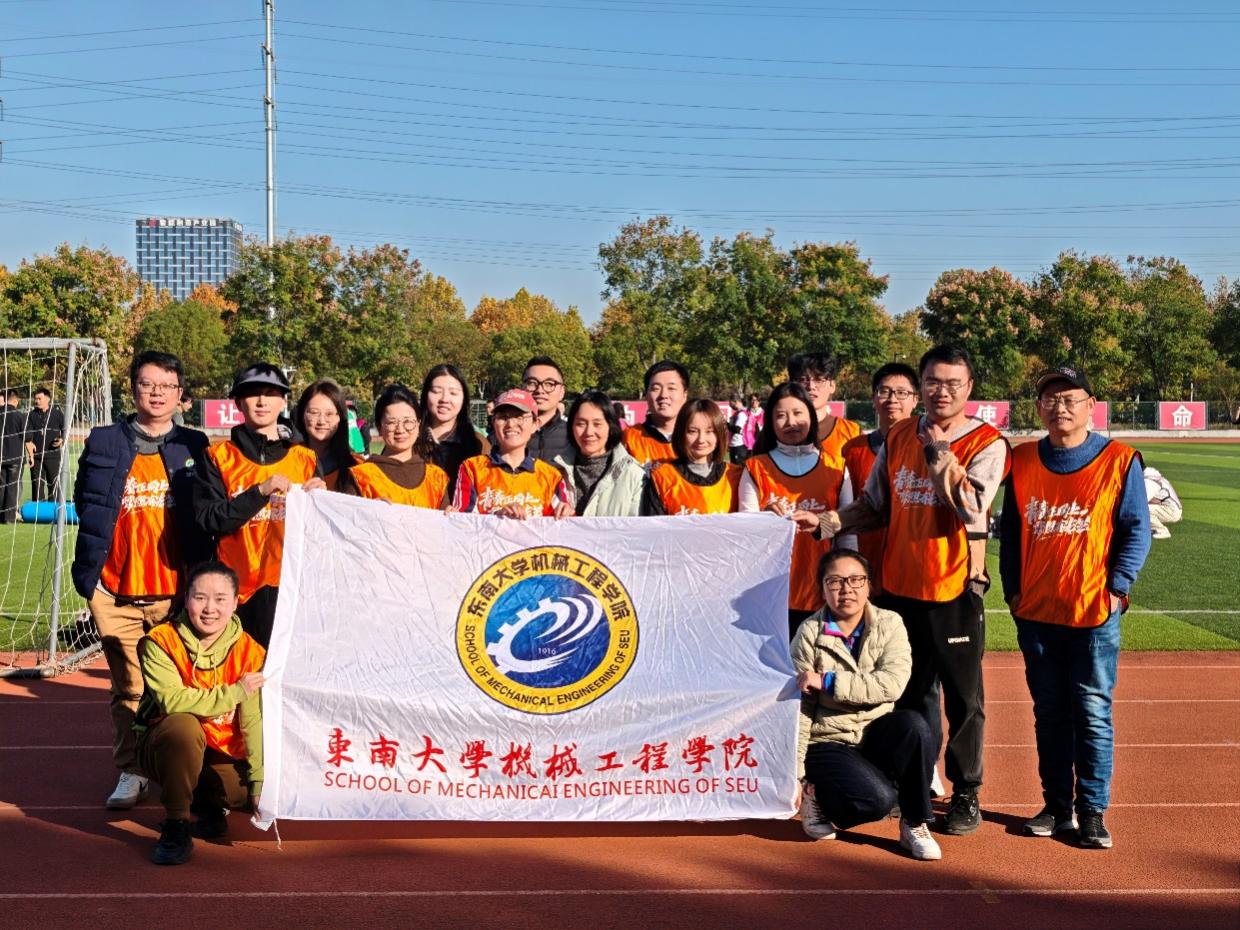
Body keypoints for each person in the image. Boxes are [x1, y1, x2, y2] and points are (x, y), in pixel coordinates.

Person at [819, 345, 1010, 836]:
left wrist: (939, 452)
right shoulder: (899, 435)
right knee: (905, 694)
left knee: (963, 699)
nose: (941, 391)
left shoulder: (987, 443)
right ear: (922, 385)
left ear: (969, 388)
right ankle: (913, 783)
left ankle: (966, 791)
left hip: (952, 589)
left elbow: (970, 506)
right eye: (933, 381)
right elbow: (874, 506)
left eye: (952, 383)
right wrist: (828, 522)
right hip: (899, 590)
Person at [1000, 366, 1150, 850]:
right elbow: (1011, 533)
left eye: (1070, 398)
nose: (1059, 407)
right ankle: (1056, 806)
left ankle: (1092, 811)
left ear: (1091, 405)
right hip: (1036, 613)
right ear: (1038, 407)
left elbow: (1136, 529)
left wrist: (1117, 589)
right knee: (1049, 714)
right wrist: (1013, 592)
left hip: (1093, 613)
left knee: (1092, 712)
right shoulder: (1022, 460)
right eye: (1050, 398)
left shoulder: (1119, 460)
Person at [71, 351, 211, 811]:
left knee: (182, 685)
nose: (156, 393)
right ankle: (131, 770)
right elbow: (85, 499)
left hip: (176, 593)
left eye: (166, 386)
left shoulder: (194, 444)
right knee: (129, 688)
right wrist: (93, 578)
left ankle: (182, 769)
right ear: (132, 388)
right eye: (148, 384)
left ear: (180, 394)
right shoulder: (104, 440)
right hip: (115, 591)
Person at [793, 549, 941, 861]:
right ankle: (816, 794)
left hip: (874, 730)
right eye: (835, 581)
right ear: (822, 588)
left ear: (869, 585)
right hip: (828, 738)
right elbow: (801, 707)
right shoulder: (809, 632)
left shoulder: (890, 623)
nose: (846, 589)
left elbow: (892, 684)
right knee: (877, 802)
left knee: (913, 726)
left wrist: (828, 681)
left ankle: (915, 823)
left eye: (855, 580)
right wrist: (798, 773)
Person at [133, 561, 266, 866]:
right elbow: (173, 701)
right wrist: (235, 692)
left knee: (243, 792)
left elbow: (252, 720)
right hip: (165, 743)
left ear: (235, 603)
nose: (209, 609)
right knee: (183, 726)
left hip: (221, 749)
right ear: (186, 598)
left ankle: (210, 809)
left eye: (220, 599)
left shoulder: (250, 652)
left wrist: (259, 783)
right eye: (200, 597)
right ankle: (177, 823)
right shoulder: (161, 641)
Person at [194, 363, 323, 649]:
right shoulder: (218, 456)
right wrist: (260, 492)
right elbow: (210, 519)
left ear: (283, 401)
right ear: (238, 403)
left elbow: (321, 534)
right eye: (253, 394)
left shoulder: (305, 458)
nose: (262, 401)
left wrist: (323, 501)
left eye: (271, 393)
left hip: (291, 589)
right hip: (235, 591)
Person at [739, 383, 854, 638]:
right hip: (772, 594)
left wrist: (848, 584)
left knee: (822, 658)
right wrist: (764, 518)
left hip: (824, 592)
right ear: (770, 422)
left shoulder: (837, 468)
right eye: (781, 415)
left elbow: (847, 533)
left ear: (811, 417)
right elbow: (746, 532)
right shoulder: (755, 468)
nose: (791, 422)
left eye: (798, 413)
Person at [841, 363, 920, 599]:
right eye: (884, 391)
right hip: (866, 563)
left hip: (915, 564)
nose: (892, 399)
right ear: (873, 398)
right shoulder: (852, 450)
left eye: (901, 392)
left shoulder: (927, 448)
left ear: (915, 399)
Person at [453, 388, 571, 518]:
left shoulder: (551, 477)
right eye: (503, 417)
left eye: (520, 417)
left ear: (535, 424)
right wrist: (498, 516)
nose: (510, 424)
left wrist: (567, 513)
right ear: (493, 423)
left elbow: (562, 524)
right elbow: (463, 521)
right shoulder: (472, 468)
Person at [349, 383, 450, 509]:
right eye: (391, 422)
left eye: (408, 421)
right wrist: (367, 511)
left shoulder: (436, 478)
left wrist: (451, 515)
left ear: (418, 425)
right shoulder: (360, 477)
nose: (400, 430)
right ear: (379, 427)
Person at [642, 399, 741, 516]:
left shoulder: (736, 476)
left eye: (709, 431)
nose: (701, 439)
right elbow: (653, 525)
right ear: (680, 433)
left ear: (719, 434)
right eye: (692, 431)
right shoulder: (662, 477)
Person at [554, 389, 645, 516]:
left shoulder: (634, 475)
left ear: (610, 426)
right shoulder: (555, 473)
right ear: (571, 427)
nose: (589, 432)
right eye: (581, 424)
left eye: (597, 424)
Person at [420, 363, 488, 499]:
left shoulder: (478, 443)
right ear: (426, 395)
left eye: (453, 393)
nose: (444, 399)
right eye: (436, 391)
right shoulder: (407, 439)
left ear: (463, 399)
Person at [787, 352, 860, 468]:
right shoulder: (777, 431)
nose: (811, 386)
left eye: (819, 380)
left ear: (832, 386)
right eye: (803, 380)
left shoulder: (852, 433)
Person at [623, 360, 690, 466]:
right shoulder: (629, 439)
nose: (663, 395)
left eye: (671, 388)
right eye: (656, 389)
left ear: (684, 395)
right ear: (646, 395)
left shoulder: (698, 439)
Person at [294, 380, 356, 491]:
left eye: (329, 414)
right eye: (314, 412)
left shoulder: (356, 467)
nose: (321, 421)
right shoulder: (286, 459)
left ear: (340, 418)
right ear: (302, 415)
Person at [521, 356, 571, 463]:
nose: (540, 390)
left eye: (549, 384)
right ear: (522, 388)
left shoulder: (575, 434)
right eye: (532, 383)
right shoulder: (505, 434)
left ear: (562, 392)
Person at [24, 386, 65, 502]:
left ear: (47, 399)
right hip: (36, 457)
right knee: (37, 486)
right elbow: (28, 434)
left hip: (53, 456)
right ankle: (38, 510)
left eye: (39, 398)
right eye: (35, 399)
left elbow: (65, 430)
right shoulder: (31, 415)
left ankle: (53, 510)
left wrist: (62, 439)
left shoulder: (57, 414)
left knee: (54, 485)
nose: (37, 401)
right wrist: (30, 452)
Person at [1, 389, 26, 523]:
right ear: (16, 400)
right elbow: (27, 436)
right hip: (15, 457)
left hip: (1, 456)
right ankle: (9, 517)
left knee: (1, 486)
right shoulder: (19, 416)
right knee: (12, 487)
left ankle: (1, 515)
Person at [1143, 465, 1182, 540]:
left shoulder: (1151, 481)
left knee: (1141, 509)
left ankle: (1161, 530)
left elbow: (1143, 501)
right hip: (1170, 507)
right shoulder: (1153, 476)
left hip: (1171, 510)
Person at [726, 396, 749, 466]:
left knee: (739, 468)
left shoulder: (741, 414)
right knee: (734, 467)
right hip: (735, 445)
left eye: (731, 404)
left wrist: (725, 424)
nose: (730, 406)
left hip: (739, 445)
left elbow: (737, 429)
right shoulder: (738, 413)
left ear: (736, 402)